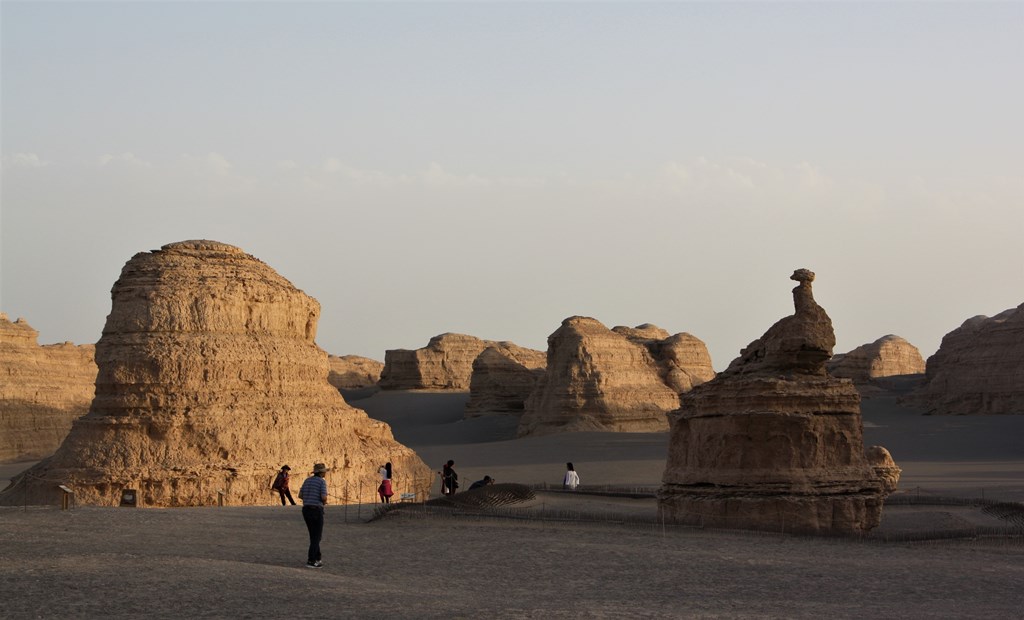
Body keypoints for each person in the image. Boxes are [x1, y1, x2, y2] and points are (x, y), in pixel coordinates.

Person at [299, 463, 329, 568]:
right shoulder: (322, 482)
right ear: (321, 472)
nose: (325, 473)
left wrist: (309, 498)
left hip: (306, 510)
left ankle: (317, 557)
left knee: (313, 535)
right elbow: (323, 497)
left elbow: (300, 495)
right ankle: (311, 560)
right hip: (316, 510)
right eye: (324, 471)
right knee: (317, 536)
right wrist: (324, 502)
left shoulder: (307, 480)